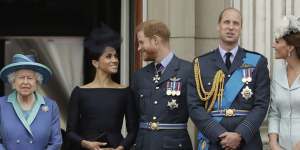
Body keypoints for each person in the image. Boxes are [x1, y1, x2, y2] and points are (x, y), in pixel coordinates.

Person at [187, 8, 270, 149]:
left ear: (241, 28)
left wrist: (240, 135)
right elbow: (194, 106)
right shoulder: (200, 64)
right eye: (226, 22)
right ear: (218, 26)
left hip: (246, 142)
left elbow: (261, 105)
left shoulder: (258, 62)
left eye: (236, 23)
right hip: (214, 141)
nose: (231, 27)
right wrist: (219, 134)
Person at [66, 24, 138, 150]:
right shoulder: (79, 92)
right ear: (95, 63)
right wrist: (86, 143)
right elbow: (70, 132)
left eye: (116, 56)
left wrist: (121, 147)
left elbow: (133, 131)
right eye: (108, 56)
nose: (115, 60)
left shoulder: (125, 92)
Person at [131, 20, 193, 150]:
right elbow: (134, 119)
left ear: (155, 40)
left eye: (141, 42)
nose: (139, 48)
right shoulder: (139, 76)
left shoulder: (188, 71)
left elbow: (198, 111)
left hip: (175, 145)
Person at [0, 53, 62, 150]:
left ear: (37, 82)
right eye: (21, 77)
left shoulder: (51, 106)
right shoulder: (1, 104)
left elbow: (56, 142)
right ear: (13, 81)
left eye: (30, 78)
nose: (25, 82)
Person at [268, 15, 300, 150]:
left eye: (277, 41)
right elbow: (274, 112)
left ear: (290, 47)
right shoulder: (277, 72)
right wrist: (274, 143)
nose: (273, 45)